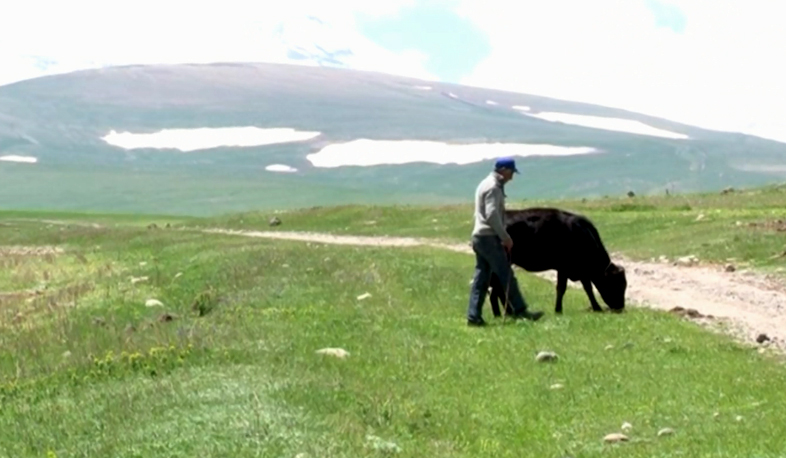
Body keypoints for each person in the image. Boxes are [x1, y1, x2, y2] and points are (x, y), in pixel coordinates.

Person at [466, 157, 544, 326]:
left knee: (481, 279)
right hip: (489, 237)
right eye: (511, 173)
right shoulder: (493, 187)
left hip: (479, 236)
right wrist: (505, 237)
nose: (511, 177)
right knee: (506, 275)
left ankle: (473, 317)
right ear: (503, 170)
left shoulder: (484, 184)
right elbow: (492, 215)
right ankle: (521, 311)